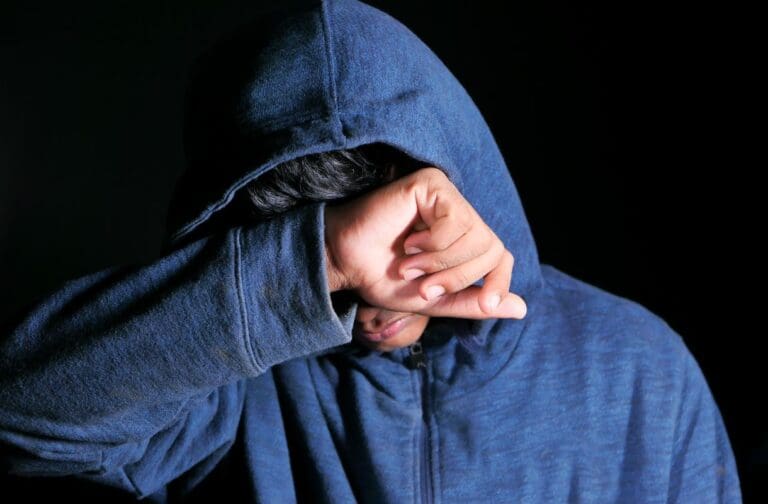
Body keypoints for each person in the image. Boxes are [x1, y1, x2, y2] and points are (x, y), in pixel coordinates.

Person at [0, 0, 741, 502]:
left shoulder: (641, 370)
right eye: (352, 270)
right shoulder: (218, 391)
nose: (378, 302)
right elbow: (20, 421)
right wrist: (314, 262)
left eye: (405, 245)